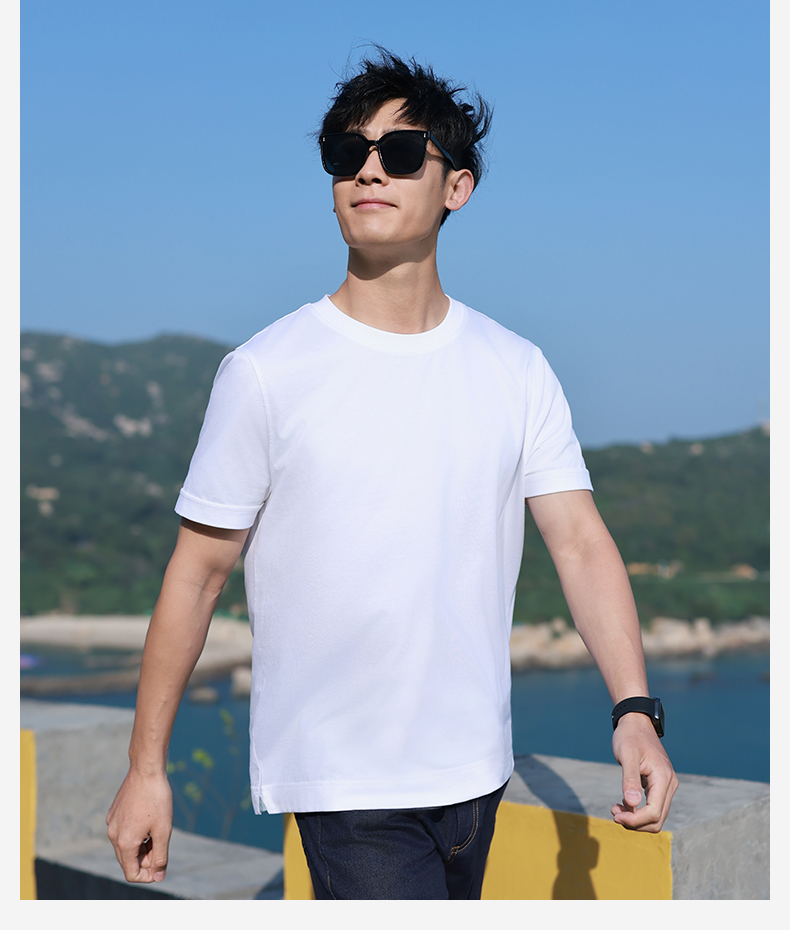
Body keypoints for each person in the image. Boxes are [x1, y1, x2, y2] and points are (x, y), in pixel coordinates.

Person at [107, 48, 677, 900]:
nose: (368, 171)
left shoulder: (516, 368)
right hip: (347, 788)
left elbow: (580, 544)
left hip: (476, 775)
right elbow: (197, 574)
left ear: (458, 188)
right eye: (347, 153)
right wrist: (145, 769)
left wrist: (634, 712)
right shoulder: (266, 371)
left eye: (402, 152)